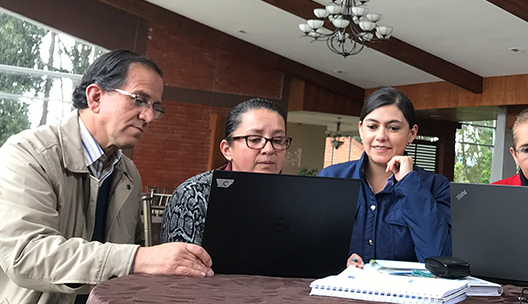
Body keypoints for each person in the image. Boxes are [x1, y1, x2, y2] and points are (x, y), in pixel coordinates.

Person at [0, 50, 213, 304]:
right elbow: (27, 257)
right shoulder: (26, 154)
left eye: (155, 107)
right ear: (95, 97)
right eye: (140, 100)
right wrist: (140, 258)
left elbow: (128, 266)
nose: (149, 117)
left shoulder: (127, 171)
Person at [319, 87, 450, 267]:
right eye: (372, 126)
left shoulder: (436, 187)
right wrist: (337, 263)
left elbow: (439, 258)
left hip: (407, 294)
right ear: (361, 129)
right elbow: (310, 250)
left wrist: (409, 184)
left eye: (393, 128)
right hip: (342, 292)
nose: (381, 136)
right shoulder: (331, 179)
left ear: (412, 133)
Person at [161, 98, 291, 245]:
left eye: (278, 140)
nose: (269, 149)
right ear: (227, 150)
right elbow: (180, 264)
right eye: (255, 139)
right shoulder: (193, 196)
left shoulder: (295, 198)